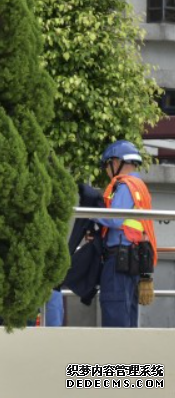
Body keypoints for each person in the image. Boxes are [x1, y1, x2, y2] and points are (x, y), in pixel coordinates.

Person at [95, 140, 157, 328]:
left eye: (107, 165)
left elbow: (114, 219)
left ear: (116, 162)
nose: (107, 170)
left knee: (115, 318)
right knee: (128, 319)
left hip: (119, 262)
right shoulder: (140, 187)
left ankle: (116, 358)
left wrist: (91, 216)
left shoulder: (125, 185)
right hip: (133, 261)